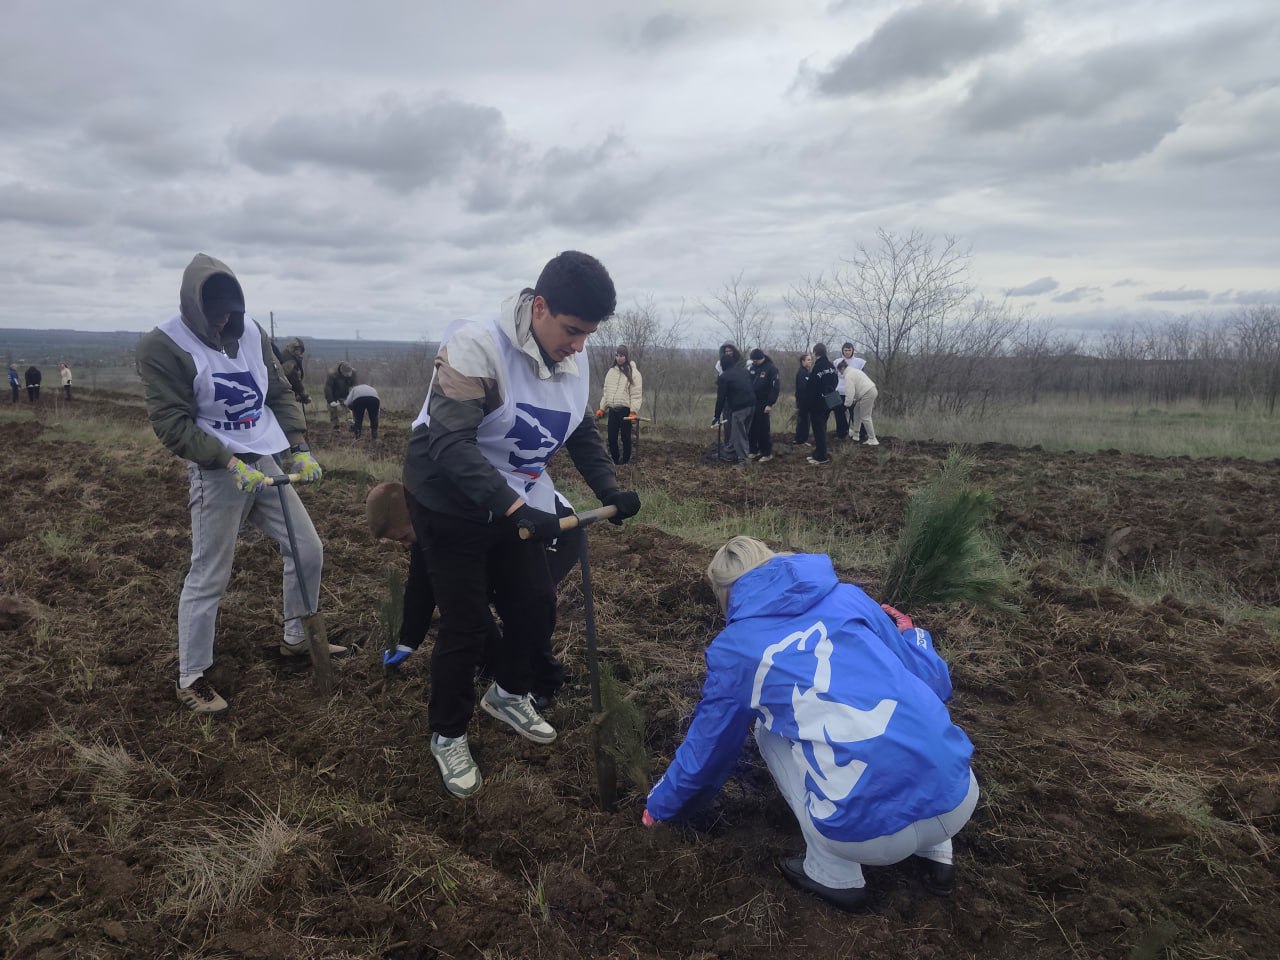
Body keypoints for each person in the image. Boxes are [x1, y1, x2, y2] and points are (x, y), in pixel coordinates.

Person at [402, 250, 641, 799]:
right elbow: (450, 443)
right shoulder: (476, 346)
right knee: (464, 623)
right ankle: (447, 733)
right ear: (539, 308)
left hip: (517, 491)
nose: (580, 344)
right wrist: (513, 510)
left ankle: (508, 693)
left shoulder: (572, 358)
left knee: (535, 603)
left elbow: (579, 429)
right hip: (448, 496)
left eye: (589, 334)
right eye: (572, 330)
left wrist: (609, 489)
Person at [642, 537, 978, 913]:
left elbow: (709, 749)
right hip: (959, 798)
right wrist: (912, 635)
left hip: (868, 838)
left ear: (725, 592)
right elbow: (932, 680)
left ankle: (833, 872)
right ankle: (937, 851)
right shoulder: (849, 596)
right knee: (904, 708)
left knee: (768, 730)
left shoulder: (736, 649)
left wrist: (662, 806)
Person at [135, 253, 343, 714]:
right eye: (217, 316)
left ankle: (296, 636)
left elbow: (277, 391)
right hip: (217, 470)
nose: (226, 321)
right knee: (210, 571)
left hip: (262, 455)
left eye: (232, 312)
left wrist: (300, 445)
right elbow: (171, 423)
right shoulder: (163, 346)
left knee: (307, 548)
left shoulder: (250, 333)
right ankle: (192, 676)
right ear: (196, 310)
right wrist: (227, 461)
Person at [366, 481, 579, 706]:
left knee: (526, 604)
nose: (403, 545)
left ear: (415, 515)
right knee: (463, 596)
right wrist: (407, 641)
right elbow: (422, 583)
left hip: (553, 528)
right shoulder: (429, 524)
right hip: (504, 535)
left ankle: (544, 682)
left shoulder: (453, 513)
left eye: (403, 537)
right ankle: (493, 663)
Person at [598, 345, 643, 465]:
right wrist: (602, 408)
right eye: (617, 355)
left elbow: (636, 394)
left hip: (625, 410)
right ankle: (615, 460)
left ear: (626, 357)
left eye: (621, 356)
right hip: (613, 409)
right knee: (611, 438)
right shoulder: (611, 372)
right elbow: (606, 392)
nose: (619, 358)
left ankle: (626, 460)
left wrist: (633, 411)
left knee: (625, 438)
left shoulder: (633, 373)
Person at [712, 343, 755, 467]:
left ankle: (743, 461)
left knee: (739, 434)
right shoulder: (743, 371)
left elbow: (721, 398)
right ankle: (728, 453)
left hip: (740, 408)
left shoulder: (724, 377)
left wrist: (716, 416)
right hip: (752, 405)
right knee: (740, 432)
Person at [805, 344, 839, 465]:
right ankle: (818, 452)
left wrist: (809, 402)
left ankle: (821, 457)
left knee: (818, 429)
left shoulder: (818, 367)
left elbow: (812, 386)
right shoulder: (831, 366)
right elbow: (836, 380)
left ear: (815, 353)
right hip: (830, 400)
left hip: (818, 402)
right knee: (822, 427)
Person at [747, 348, 780, 463]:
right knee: (752, 427)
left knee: (763, 428)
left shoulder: (771, 369)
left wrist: (770, 403)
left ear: (762, 358)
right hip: (752, 402)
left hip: (764, 402)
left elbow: (775, 388)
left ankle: (766, 452)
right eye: (753, 361)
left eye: (756, 360)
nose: (755, 362)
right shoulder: (752, 368)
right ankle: (753, 450)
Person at [843, 366, 880, 446]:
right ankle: (856, 434)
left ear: (841, 368)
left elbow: (850, 393)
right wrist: (854, 400)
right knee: (857, 410)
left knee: (865, 416)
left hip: (867, 393)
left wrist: (846, 404)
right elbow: (858, 387)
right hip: (868, 391)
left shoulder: (848, 375)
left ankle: (872, 439)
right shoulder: (854, 371)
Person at [324, 361, 357, 430]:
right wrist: (330, 401)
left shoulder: (353, 373)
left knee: (348, 408)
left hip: (345, 394)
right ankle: (335, 426)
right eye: (346, 374)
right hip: (333, 395)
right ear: (341, 371)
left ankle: (350, 423)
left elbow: (353, 386)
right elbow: (328, 388)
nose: (348, 375)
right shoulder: (332, 374)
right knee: (332, 409)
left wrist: (352, 397)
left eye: (349, 374)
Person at [279, 338, 310, 406]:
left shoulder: (287, 356)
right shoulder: (289, 360)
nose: (298, 352)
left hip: (286, 391)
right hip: (284, 393)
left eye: (300, 350)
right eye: (297, 349)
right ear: (292, 348)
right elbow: (294, 379)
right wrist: (303, 394)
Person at [791, 354, 813, 446]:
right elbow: (802, 389)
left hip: (805, 401)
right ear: (803, 361)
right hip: (803, 402)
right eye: (808, 360)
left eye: (810, 360)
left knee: (804, 421)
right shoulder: (801, 373)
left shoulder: (807, 372)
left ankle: (801, 439)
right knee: (803, 421)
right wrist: (801, 403)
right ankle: (801, 440)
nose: (810, 361)